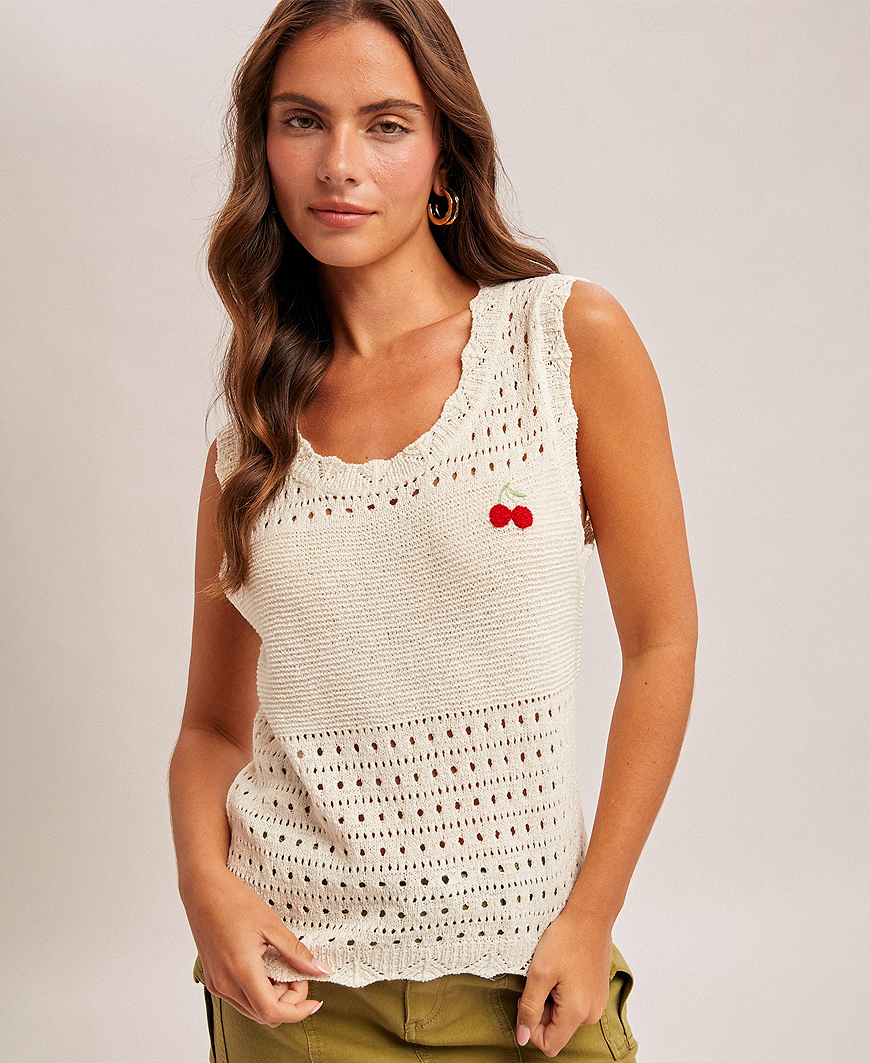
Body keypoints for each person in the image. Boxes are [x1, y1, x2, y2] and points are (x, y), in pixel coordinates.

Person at [167, 1, 698, 1060]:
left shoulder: (559, 341)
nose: (340, 164)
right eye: (302, 120)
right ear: (263, 149)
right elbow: (213, 729)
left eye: (386, 125)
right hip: (296, 996)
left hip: (532, 987)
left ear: (445, 152)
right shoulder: (252, 439)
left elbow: (661, 642)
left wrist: (592, 912)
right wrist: (204, 889)